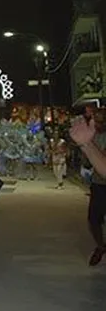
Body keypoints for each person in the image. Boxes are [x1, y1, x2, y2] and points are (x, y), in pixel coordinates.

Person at [68, 113, 106, 265]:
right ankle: (101, 246)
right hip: (98, 184)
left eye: (101, 120)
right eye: (96, 120)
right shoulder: (94, 135)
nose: (98, 123)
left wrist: (87, 145)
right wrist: (86, 145)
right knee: (94, 219)